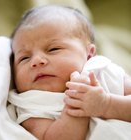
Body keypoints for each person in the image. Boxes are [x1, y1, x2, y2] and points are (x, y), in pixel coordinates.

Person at [8, 5, 131, 140]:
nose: (36, 61)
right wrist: (76, 107)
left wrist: (107, 104)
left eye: (53, 49)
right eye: (24, 58)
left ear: (89, 55)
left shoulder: (100, 70)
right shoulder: (30, 102)